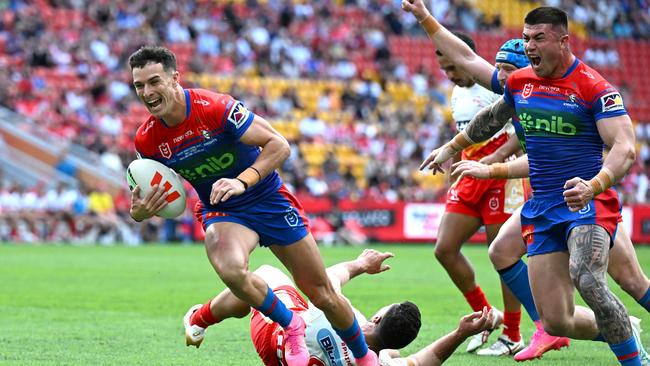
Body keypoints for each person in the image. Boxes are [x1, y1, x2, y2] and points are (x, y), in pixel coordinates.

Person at [402, 0, 650, 361]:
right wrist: (451, 147)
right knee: (556, 320)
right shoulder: (518, 84)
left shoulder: (594, 87)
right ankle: (620, 329)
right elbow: (488, 112)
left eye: (538, 38)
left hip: (587, 201)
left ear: (563, 41)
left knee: (594, 278)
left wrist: (593, 185)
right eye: (525, 38)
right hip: (542, 205)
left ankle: (632, 357)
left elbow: (625, 148)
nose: (530, 45)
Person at [127, 46, 377, 365]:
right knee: (232, 271)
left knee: (322, 293)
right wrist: (140, 212)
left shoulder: (215, 107)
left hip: (266, 198)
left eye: (154, 81)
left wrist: (241, 181)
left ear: (175, 78)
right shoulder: (146, 141)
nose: (146, 92)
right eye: (139, 85)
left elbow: (279, 145)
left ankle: (365, 358)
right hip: (223, 209)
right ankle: (292, 325)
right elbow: (150, 194)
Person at [424, 31, 527, 355]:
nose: (450, 74)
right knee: (445, 248)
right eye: (444, 69)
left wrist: (495, 158)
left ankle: (512, 333)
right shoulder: (456, 93)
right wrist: (453, 163)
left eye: (453, 66)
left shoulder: (497, 85)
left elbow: (519, 130)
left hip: (500, 174)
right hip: (470, 173)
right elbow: (465, 134)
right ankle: (486, 315)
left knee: (503, 255)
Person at [191, 249, 422, 365]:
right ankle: (237, 308)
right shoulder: (377, 361)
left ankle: (198, 320)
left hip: (273, 338)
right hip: (290, 358)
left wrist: (361, 264)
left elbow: (328, 278)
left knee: (262, 276)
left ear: (378, 319)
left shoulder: (343, 316)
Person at [378, 307, 497, 366]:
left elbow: (419, 361)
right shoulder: (383, 361)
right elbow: (419, 361)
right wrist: (461, 333)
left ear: (375, 319)